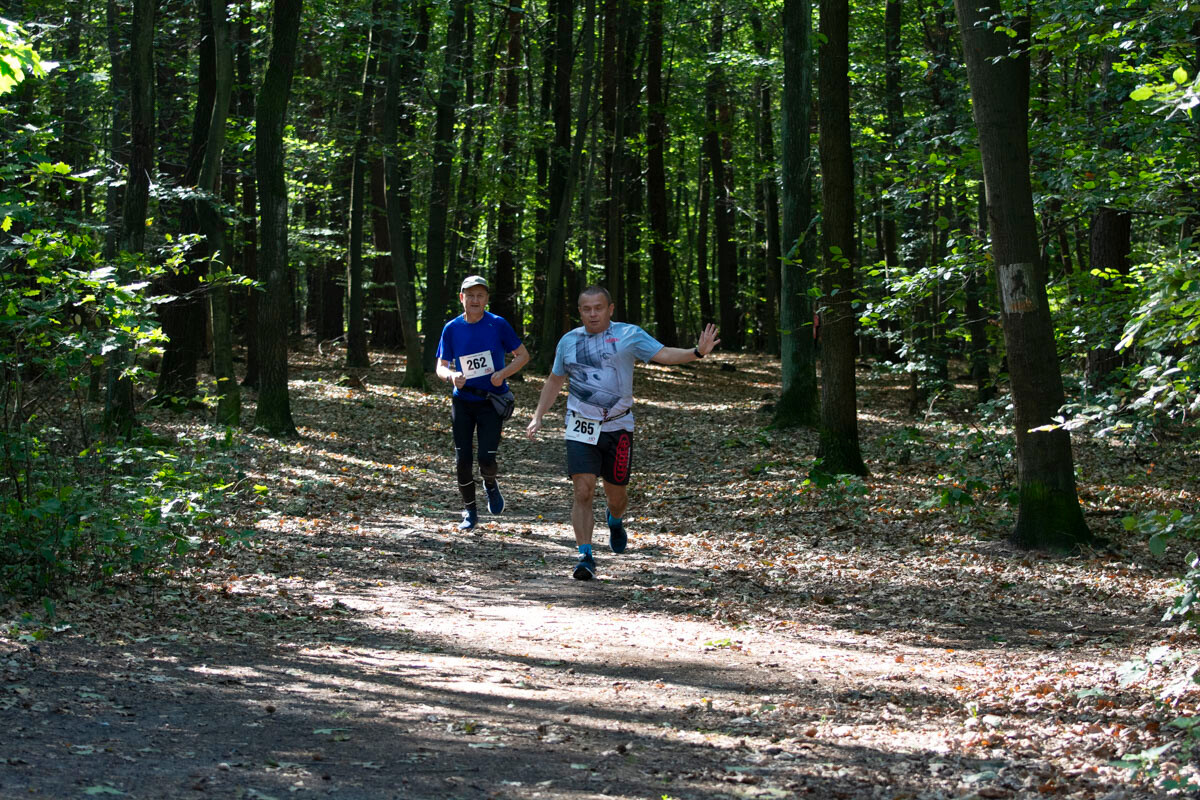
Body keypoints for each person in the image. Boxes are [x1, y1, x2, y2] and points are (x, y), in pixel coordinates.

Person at [526, 285, 719, 580]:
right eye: (586, 309)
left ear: (611, 309)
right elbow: (555, 380)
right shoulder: (568, 342)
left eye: (598, 308)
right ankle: (585, 556)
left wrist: (697, 352)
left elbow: (663, 353)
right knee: (583, 490)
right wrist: (538, 415)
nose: (592, 314)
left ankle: (615, 521)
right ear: (579, 311)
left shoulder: (628, 335)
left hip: (618, 426)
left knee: (616, 496)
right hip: (580, 425)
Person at [436, 275, 530, 531]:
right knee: (462, 460)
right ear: (461, 298)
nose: (475, 300)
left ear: (487, 299)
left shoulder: (497, 324)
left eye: (480, 295)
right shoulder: (452, 328)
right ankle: (469, 511)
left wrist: (503, 374)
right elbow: (440, 366)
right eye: (470, 295)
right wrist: (452, 376)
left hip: (491, 402)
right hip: (463, 402)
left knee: (486, 459)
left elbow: (522, 355)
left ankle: (490, 483)